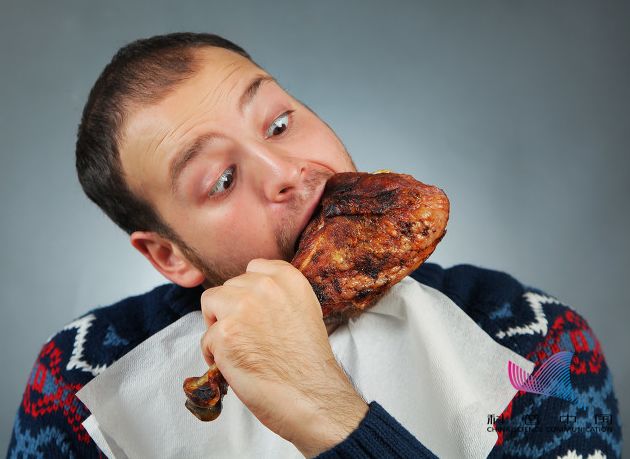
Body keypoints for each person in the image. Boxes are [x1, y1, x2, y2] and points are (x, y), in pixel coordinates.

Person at [7, 33, 622, 458]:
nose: (285, 171)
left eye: (279, 124)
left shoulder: (535, 339)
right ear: (171, 255)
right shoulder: (80, 379)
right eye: (222, 180)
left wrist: (327, 413)